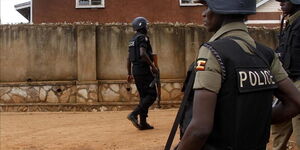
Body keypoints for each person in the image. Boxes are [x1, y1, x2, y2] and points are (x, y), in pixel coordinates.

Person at [176, 0, 300, 149]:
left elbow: (199, 130)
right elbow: (295, 102)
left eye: (208, 7)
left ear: (222, 9)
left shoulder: (212, 52)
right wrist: (255, 120)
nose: (203, 13)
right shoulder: (266, 54)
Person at [271, 0, 300, 149]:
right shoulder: (289, 23)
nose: (281, 3)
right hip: (287, 81)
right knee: (278, 127)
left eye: (285, 0)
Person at [126, 17, 158, 130]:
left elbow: (128, 58)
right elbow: (143, 53)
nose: (147, 27)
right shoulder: (143, 38)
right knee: (152, 95)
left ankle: (143, 123)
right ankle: (134, 114)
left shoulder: (132, 40)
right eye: (146, 26)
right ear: (143, 27)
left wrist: (129, 73)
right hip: (144, 70)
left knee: (144, 96)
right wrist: (153, 66)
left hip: (136, 70)